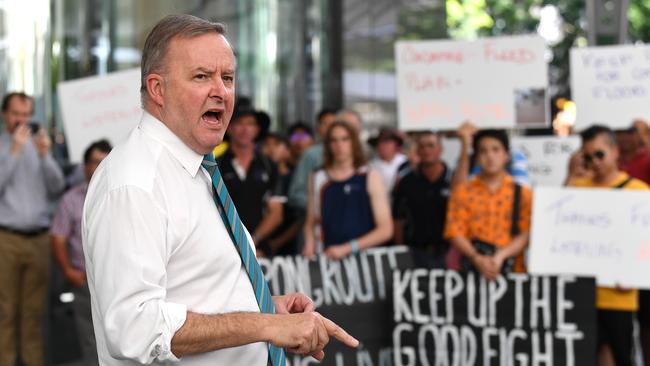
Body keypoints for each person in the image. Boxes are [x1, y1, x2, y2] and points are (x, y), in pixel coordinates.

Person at [82, 14, 357, 365]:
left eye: (227, 77)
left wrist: (266, 308)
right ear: (157, 89)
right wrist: (264, 326)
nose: (221, 91)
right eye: (201, 76)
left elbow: (197, 288)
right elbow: (134, 329)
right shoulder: (135, 183)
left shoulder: (196, 166)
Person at [569, 125, 648, 366]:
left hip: (619, 295)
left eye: (599, 154)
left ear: (615, 151)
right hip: (582, 293)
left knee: (620, 356)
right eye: (588, 156)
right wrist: (572, 174)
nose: (595, 162)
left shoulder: (639, 191)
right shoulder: (577, 187)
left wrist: (634, 273)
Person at [0, 92, 65, 366]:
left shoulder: (39, 146)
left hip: (39, 239)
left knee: (34, 314)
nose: (22, 120)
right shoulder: (4, 146)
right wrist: (14, 153)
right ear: (5, 114)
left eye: (27, 115)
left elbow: (57, 187)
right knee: (5, 313)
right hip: (7, 239)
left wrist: (45, 156)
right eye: (17, 114)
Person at [50, 139, 112, 366]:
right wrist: (68, 271)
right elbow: (58, 238)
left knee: (122, 338)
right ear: (85, 166)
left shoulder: (121, 193)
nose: (100, 166)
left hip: (116, 278)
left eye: (105, 161)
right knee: (90, 340)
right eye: (95, 162)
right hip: (84, 280)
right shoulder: (71, 199)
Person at [444, 129, 532, 280]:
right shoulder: (463, 192)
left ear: (506, 156)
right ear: (477, 158)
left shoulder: (523, 194)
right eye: (483, 151)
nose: (490, 156)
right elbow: (454, 231)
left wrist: (501, 256)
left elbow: (527, 233)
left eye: (495, 150)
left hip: (513, 273)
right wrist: (476, 257)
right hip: (471, 274)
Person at [302, 121, 392, 259]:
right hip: (326, 256)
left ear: (354, 143)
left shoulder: (369, 176)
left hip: (363, 259)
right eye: (334, 140)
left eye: (345, 139)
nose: (339, 146)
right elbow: (311, 222)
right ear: (328, 145)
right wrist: (309, 245)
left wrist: (349, 248)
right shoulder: (317, 177)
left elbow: (386, 229)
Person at [217, 105, 284, 257]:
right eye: (239, 123)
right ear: (229, 127)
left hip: (260, 250)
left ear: (257, 129)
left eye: (251, 123)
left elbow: (276, 213)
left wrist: (252, 242)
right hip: (224, 250)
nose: (245, 129)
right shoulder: (217, 166)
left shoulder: (269, 166)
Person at [392, 131, 452, 268]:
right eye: (422, 146)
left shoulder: (452, 179)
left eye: (431, 145)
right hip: (415, 252)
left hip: (446, 252)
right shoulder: (406, 181)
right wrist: (400, 250)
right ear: (417, 150)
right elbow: (398, 219)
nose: (426, 150)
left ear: (440, 149)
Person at [287, 108, 336, 212]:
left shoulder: (351, 154)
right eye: (325, 124)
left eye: (334, 123)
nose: (330, 128)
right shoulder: (311, 154)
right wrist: (321, 207)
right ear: (318, 128)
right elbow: (296, 194)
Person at [367, 127, 407, 195]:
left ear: (396, 144)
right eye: (381, 142)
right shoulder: (369, 168)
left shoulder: (405, 163)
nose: (384, 145)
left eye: (388, 142)